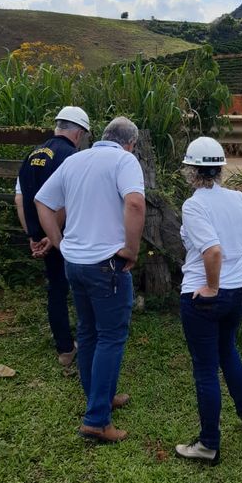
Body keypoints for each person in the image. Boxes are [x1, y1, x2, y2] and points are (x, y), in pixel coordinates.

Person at [35, 117, 145, 444]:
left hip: (75, 264)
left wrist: (59, 242)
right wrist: (132, 250)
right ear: (130, 144)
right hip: (106, 264)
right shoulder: (125, 161)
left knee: (87, 332)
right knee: (111, 336)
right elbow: (135, 203)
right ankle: (96, 420)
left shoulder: (75, 160)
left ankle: (100, 397)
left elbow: (42, 201)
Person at [176, 136, 242, 465]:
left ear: (192, 171)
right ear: (219, 169)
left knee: (205, 369)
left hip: (206, 296)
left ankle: (208, 444)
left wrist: (211, 286)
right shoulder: (236, 198)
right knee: (228, 350)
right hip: (238, 290)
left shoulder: (194, 205)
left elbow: (213, 251)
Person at [15, 106, 90, 366]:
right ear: (79, 133)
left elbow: (20, 199)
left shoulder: (32, 155)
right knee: (83, 287)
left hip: (41, 238)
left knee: (56, 289)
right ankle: (90, 340)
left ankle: (65, 349)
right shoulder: (71, 157)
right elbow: (68, 201)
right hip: (66, 235)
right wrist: (52, 235)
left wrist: (33, 236)